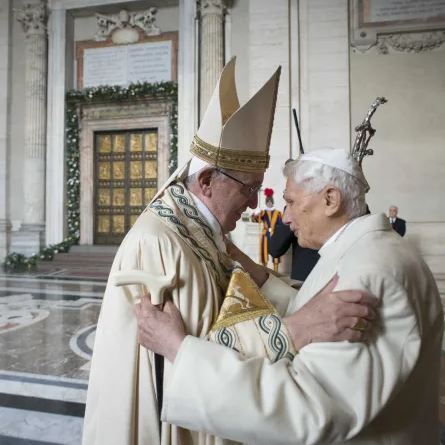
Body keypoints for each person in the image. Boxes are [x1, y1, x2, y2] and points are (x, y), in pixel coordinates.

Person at [82, 59, 375, 445]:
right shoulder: (160, 240)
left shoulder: (202, 229)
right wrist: (295, 330)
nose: (254, 203)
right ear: (205, 180)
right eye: (247, 188)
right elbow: (181, 355)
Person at [135, 147, 443, 445]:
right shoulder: (371, 250)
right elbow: (314, 305)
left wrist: (180, 351)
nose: (285, 216)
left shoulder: (367, 274)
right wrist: (254, 272)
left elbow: (310, 407)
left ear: (330, 200)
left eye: (292, 201)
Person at [251, 188, 283, 271]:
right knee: (264, 255)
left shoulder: (278, 213)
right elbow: (256, 220)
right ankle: (264, 271)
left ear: (272, 202)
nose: (269, 203)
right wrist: (255, 214)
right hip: (265, 235)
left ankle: (276, 271)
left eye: (270, 202)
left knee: (275, 254)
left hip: (275, 235)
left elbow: (281, 224)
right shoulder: (263, 212)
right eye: (268, 202)